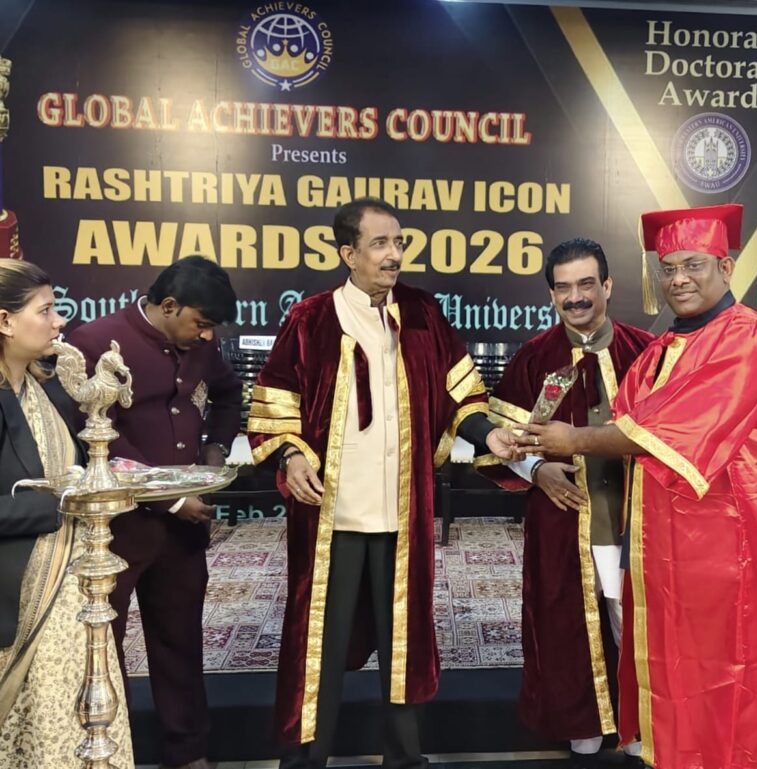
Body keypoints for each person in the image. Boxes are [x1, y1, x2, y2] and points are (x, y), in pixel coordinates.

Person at [515, 204, 757, 769]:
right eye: (668, 268)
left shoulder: (743, 338)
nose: (678, 279)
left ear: (726, 266)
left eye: (693, 265)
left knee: (723, 669)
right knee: (667, 657)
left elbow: (662, 433)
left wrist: (573, 439)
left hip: (726, 544)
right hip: (662, 541)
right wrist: (533, 458)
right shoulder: (664, 348)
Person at [247, 197, 517, 769]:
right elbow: (275, 406)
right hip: (332, 517)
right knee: (318, 644)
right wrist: (291, 456)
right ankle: (306, 760)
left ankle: (404, 757)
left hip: (402, 515)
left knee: (404, 645)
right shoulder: (310, 319)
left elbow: (462, 394)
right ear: (348, 254)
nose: (394, 254)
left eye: (399, 242)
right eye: (380, 244)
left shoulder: (422, 313)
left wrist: (487, 433)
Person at [477, 238, 652, 764]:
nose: (575, 297)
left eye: (586, 284)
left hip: (634, 518)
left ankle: (639, 723)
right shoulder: (534, 358)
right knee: (565, 622)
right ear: (551, 294)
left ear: (608, 286)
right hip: (563, 517)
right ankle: (581, 723)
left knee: (635, 621)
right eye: (563, 288)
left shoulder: (645, 352)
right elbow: (500, 442)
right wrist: (537, 469)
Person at [69, 256, 242, 769]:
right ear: (169, 306)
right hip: (116, 529)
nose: (207, 336)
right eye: (201, 323)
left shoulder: (201, 347)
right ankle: (112, 751)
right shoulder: (95, 342)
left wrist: (214, 450)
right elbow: (95, 436)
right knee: (104, 644)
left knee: (180, 643)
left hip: (182, 535)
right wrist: (171, 498)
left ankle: (187, 753)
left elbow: (228, 393)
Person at [0, 260, 134, 768]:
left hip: (73, 594)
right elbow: (55, 491)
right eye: (46, 310)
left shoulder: (46, 390)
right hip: (19, 599)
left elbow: (70, 471)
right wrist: (61, 502)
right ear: (4, 321)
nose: (59, 321)